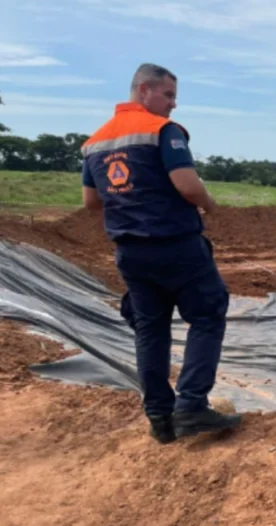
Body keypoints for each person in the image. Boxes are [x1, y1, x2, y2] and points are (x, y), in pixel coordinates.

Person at [80, 63, 241, 443]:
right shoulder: (162, 132)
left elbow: (91, 202)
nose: (173, 104)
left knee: (150, 330)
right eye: (168, 95)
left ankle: (159, 417)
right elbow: (187, 184)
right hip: (176, 246)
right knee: (207, 314)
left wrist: (132, 203)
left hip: (130, 252)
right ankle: (191, 406)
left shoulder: (95, 142)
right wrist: (209, 204)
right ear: (144, 90)